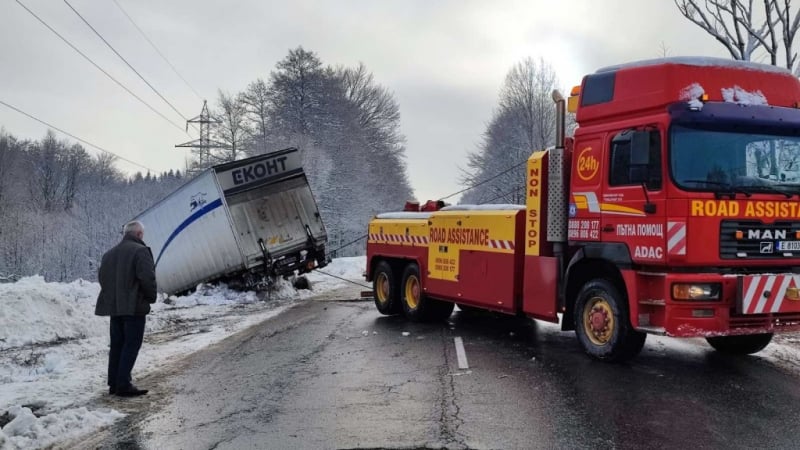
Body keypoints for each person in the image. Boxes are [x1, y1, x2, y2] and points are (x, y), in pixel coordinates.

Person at [95, 220, 157, 397]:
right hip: (134, 307)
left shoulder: (109, 254)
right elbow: (147, 278)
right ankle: (123, 384)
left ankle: (114, 383)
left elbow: (102, 278)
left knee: (117, 345)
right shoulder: (140, 251)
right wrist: (150, 297)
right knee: (131, 344)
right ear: (139, 234)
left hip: (115, 308)